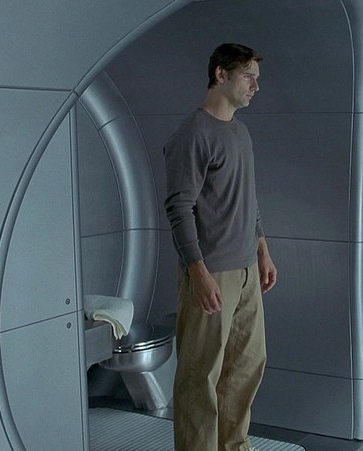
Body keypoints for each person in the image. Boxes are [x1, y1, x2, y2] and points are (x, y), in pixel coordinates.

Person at [163, 43, 278, 451]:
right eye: (248, 76)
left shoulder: (240, 133)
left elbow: (248, 197)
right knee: (200, 375)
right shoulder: (192, 135)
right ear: (220, 75)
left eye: (257, 78)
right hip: (212, 272)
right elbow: (179, 207)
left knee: (247, 365)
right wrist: (197, 271)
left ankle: (234, 446)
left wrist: (262, 249)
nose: (256, 86)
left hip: (246, 272)